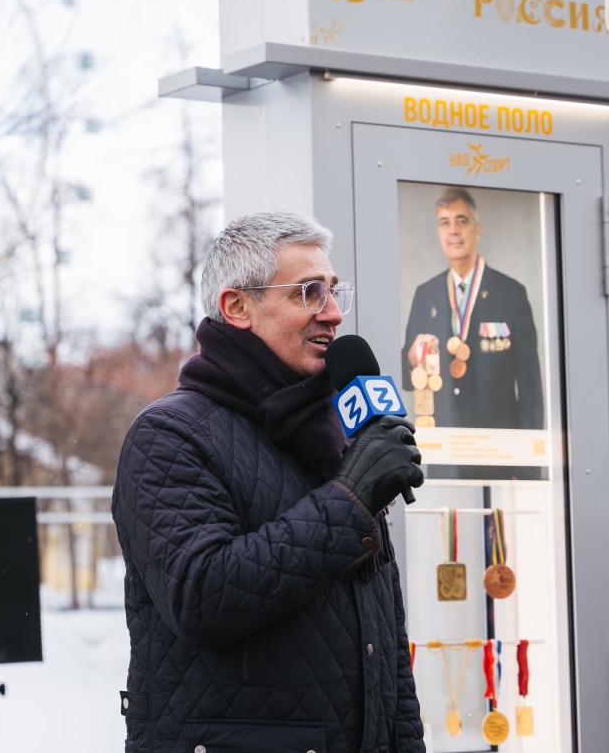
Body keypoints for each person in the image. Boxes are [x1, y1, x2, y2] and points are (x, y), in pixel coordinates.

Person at [112, 211, 425, 753]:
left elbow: (386, 644)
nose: (333, 314)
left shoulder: (334, 435)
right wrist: (348, 503)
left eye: (333, 291)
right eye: (309, 292)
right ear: (238, 307)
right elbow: (200, 598)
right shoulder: (169, 434)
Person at [401, 187, 543, 430]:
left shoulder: (511, 294)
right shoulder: (425, 294)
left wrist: (528, 455)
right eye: (445, 223)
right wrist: (411, 359)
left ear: (477, 230)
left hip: (497, 447)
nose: (453, 231)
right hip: (443, 445)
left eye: (461, 221)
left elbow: (531, 388)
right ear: (438, 232)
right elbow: (406, 379)